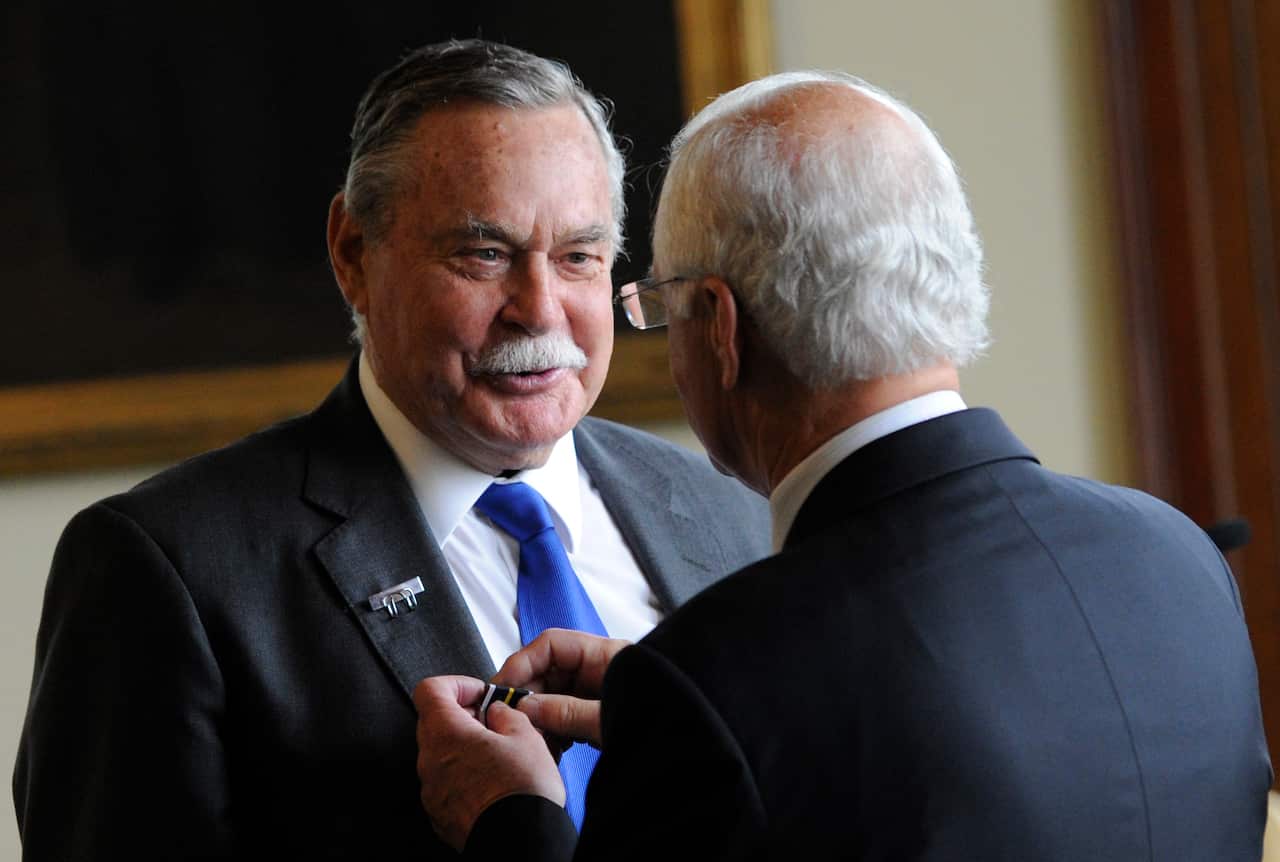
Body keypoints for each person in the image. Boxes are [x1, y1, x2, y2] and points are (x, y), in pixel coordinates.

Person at [413, 70, 1273, 860]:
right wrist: (684, 699)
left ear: (720, 326)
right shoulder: (1181, 559)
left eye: (662, 307)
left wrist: (511, 827)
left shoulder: (722, 683)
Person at [12, 40, 770, 860]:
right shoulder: (167, 569)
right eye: (484, 253)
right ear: (352, 253)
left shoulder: (727, 511)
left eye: (578, 257)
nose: (541, 311)